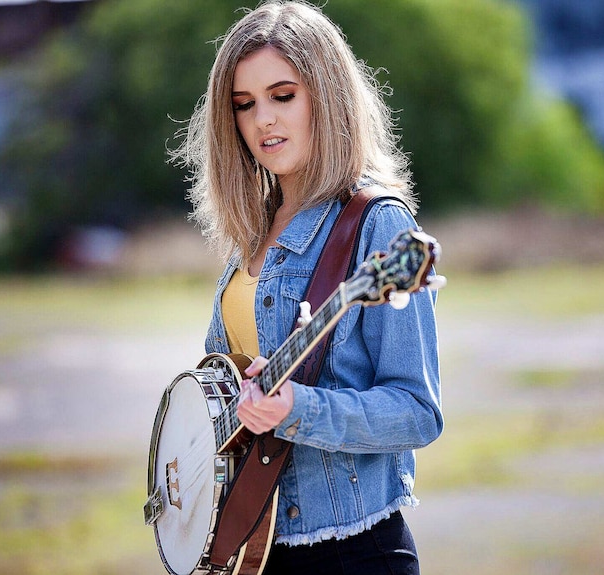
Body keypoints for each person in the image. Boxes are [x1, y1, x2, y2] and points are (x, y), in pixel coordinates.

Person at [172, 1, 443, 573]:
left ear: (326, 94)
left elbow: (418, 412)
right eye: (244, 106)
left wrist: (299, 407)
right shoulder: (254, 229)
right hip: (256, 547)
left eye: (283, 95)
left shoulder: (376, 225)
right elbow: (227, 382)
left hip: (350, 550)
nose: (262, 120)